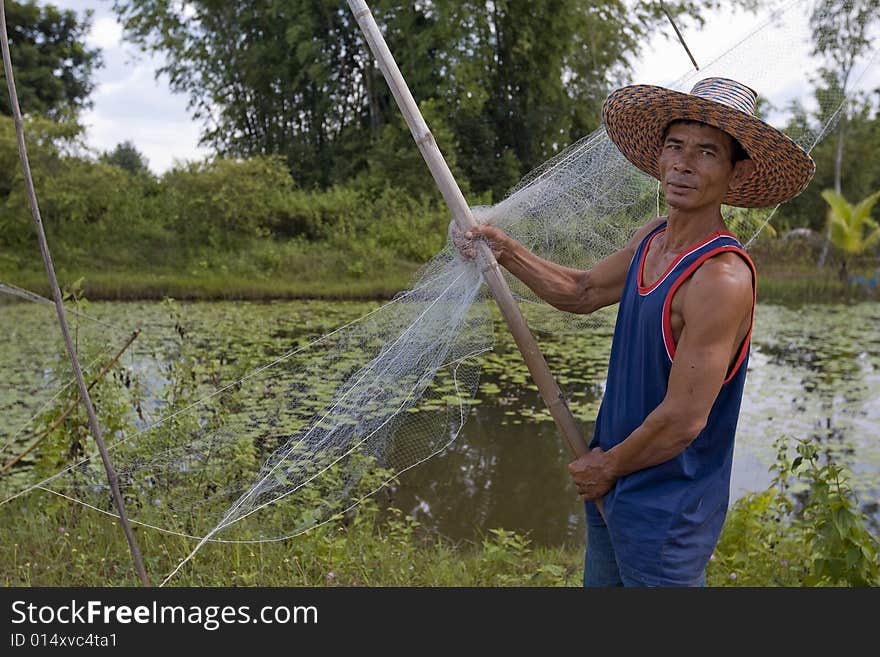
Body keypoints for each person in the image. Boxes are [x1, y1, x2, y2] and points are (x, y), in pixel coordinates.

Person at [455, 77, 815, 586]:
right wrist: (503, 248)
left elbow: (683, 421)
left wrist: (606, 467)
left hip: (667, 511)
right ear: (660, 157)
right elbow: (579, 292)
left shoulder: (720, 277)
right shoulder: (650, 239)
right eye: (675, 146)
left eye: (708, 152)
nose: (685, 164)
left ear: (737, 174)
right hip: (614, 485)